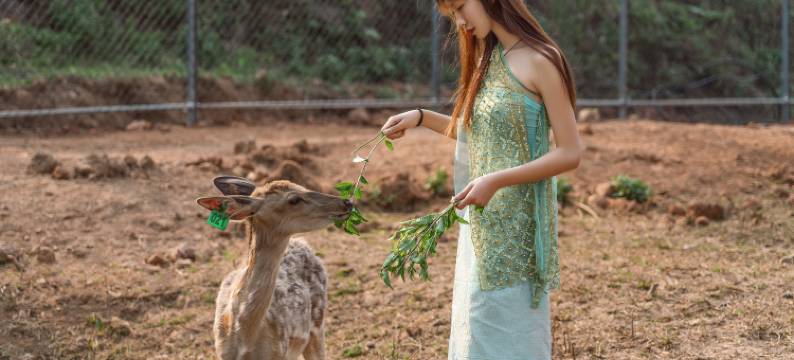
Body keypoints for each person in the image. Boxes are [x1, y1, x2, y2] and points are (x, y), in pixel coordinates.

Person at [380, 0, 584, 358]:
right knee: (476, 327)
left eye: (460, 8)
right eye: (451, 16)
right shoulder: (486, 60)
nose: (460, 22)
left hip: (518, 230)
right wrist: (420, 117)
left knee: (512, 330)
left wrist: (496, 180)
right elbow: (479, 133)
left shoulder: (541, 59)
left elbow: (570, 152)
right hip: (482, 222)